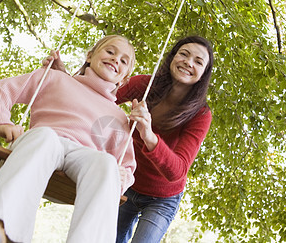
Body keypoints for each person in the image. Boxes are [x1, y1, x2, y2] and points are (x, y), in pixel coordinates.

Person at [0, 35, 137, 243]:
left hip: (86, 158)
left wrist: (120, 177)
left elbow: (127, 165)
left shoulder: (119, 117)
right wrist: (2, 122)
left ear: (124, 78)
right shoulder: (54, 78)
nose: (115, 60)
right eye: (110, 52)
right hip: (44, 144)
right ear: (90, 55)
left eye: (123, 61)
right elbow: (1, 90)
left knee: (106, 162)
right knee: (44, 136)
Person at [44, 35, 214, 243]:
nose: (188, 63)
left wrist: (148, 134)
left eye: (198, 62)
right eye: (184, 54)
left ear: (204, 73)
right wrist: (62, 77)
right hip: (126, 182)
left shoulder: (200, 114)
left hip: (162, 197)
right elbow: (92, 95)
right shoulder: (144, 84)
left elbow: (177, 171)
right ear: (172, 58)